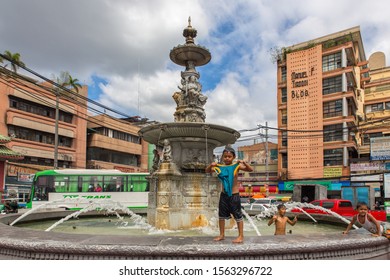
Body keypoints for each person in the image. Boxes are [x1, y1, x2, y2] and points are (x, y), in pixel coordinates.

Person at [205, 146, 253, 243]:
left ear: (233, 157)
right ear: (222, 157)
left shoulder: (237, 166)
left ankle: (241, 236)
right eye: (225, 156)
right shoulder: (219, 167)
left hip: (234, 195)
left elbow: (250, 169)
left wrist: (244, 163)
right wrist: (211, 165)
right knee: (221, 216)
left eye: (229, 156)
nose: (227, 158)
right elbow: (207, 171)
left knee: (238, 215)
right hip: (224, 195)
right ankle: (222, 234)